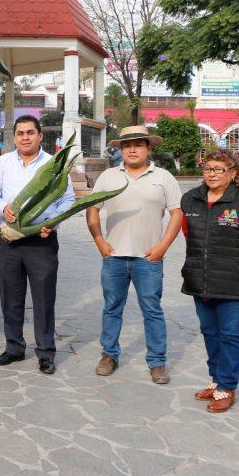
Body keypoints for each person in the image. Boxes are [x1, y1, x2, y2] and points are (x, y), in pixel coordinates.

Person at [86, 126, 183, 384]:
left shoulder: (163, 177)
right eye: (126, 145)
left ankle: (157, 361)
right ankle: (109, 354)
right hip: (114, 257)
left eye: (138, 144)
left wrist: (163, 247)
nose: (132, 149)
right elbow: (92, 209)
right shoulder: (108, 177)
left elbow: (177, 213)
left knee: (152, 309)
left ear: (148, 148)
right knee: (111, 308)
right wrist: (99, 240)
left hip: (148, 259)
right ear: (120, 149)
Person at [180, 149, 239, 412]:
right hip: (200, 278)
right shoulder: (191, 199)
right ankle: (216, 380)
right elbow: (190, 233)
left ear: (233, 173)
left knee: (230, 334)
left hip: (234, 281)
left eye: (219, 169)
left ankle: (227, 386)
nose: (212, 173)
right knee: (210, 332)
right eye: (208, 168)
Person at [0, 116, 75, 375]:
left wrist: (53, 223)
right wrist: (3, 207)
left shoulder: (53, 165)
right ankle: (13, 348)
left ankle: (46, 353)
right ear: (14, 137)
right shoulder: (2, 163)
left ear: (40, 136)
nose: (25, 137)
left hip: (41, 239)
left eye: (30, 133)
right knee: (10, 296)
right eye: (20, 133)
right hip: (10, 237)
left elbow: (67, 200)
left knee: (44, 298)